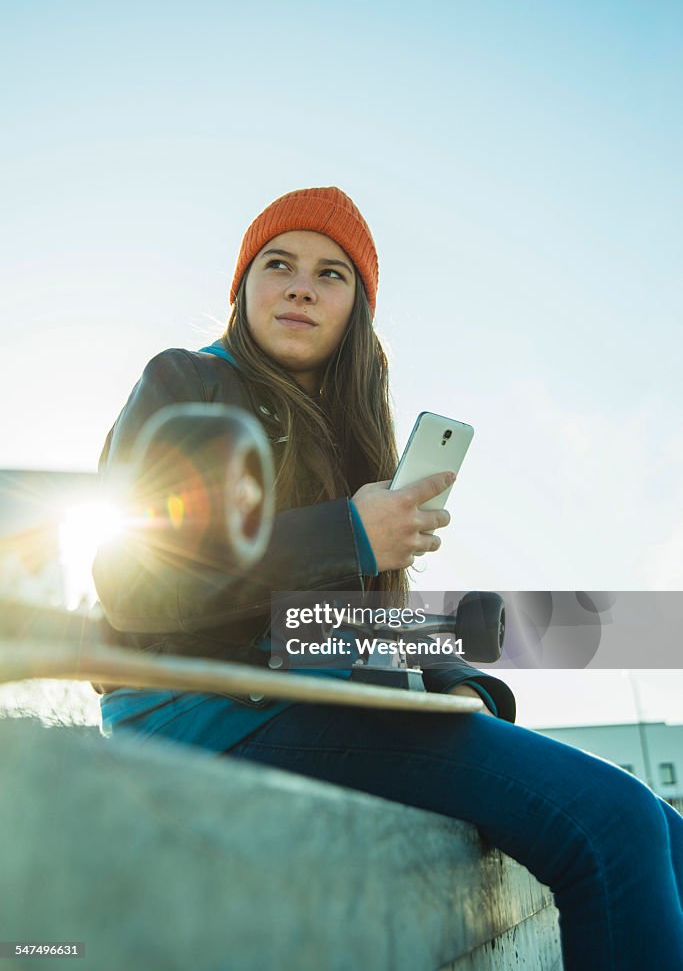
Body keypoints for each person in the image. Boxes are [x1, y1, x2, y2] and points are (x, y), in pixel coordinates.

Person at [94, 187, 683, 970]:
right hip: (204, 711)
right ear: (242, 289)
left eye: (331, 274)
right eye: (279, 264)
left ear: (356, 310)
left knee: (661, 826)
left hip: (319, 694)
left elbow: (329, 628)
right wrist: (346, 532)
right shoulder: (187, 382)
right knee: (611, 824)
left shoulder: (349, 435)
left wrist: (461, 681)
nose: (301, 285)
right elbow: (137, 585)